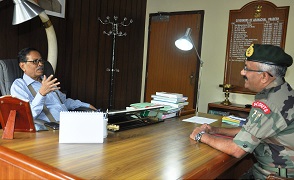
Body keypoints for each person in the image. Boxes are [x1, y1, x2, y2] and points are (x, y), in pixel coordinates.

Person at [190, 44, 294, 179]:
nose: (242, 72)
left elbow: (236, 149)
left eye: (247, 68)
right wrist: (216, 130)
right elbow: (250, 131)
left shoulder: (270, 104)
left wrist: (200, 136)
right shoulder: (282, 92)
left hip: (275, 176)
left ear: (264, 77)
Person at [10, 47, 97, 124]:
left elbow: (64, 102)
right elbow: (27, 116)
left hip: (68, 124)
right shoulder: (19, 85)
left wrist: (86, 105)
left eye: (41, 61)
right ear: (22, 66)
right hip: (48, 130)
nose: (40, 64)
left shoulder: (47, 81)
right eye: (35, 61)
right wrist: (41, 94)